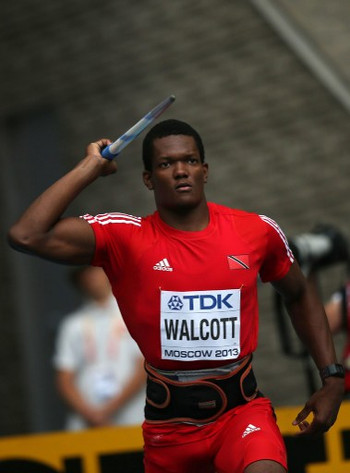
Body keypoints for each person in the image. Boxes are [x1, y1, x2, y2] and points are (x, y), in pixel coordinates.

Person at [8, 119, 344, 473]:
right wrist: (89, 168)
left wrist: (332, 378)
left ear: (205, 170)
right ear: (148, 178)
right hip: (168, 431)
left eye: (190, 160)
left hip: (241, 414)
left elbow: (300, 292)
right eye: (166, 164)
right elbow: (27, 235)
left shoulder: (256, 230)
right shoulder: (125, 238)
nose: (181, 171)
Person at [53, 265, 146, 430]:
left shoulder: (133, 313)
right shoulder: (73, 324)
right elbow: (64, 378)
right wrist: (91, 414)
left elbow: (144, 367)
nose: (91, 276)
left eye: (96, 269)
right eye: (85, 272)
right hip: (86, 423)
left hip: (132, 418)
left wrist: (109, 409)